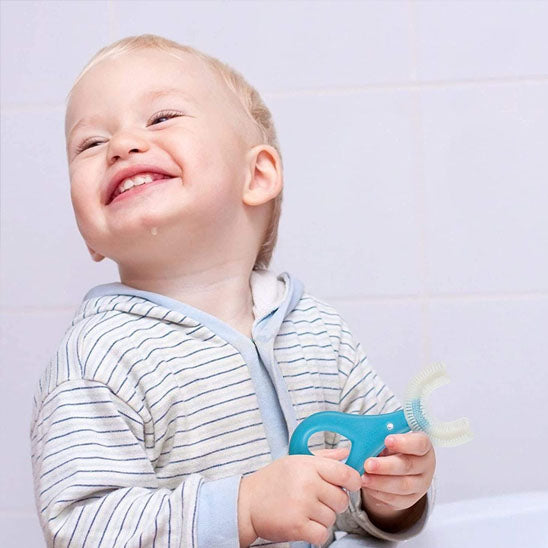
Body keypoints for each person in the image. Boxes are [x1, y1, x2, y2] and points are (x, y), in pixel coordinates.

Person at [30, 34, 436, 548]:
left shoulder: (319, 332)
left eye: (161, 118)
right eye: (90, 143)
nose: (122, 145)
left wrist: (394, 496)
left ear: (257, 174)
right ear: (87, 230)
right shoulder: (96, 360)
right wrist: (241, 509)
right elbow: (82, 528)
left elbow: (363, 495)